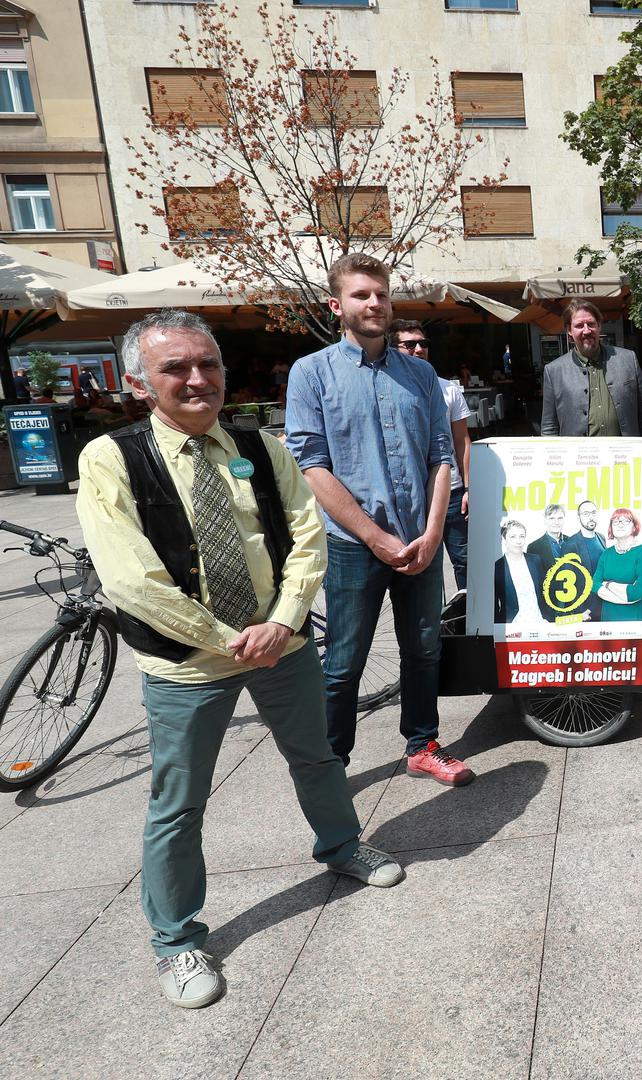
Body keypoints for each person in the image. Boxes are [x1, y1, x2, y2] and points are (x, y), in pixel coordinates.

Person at [77, 310, 402, 1010]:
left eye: (209, 364)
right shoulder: (111, 458)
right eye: (175, 368)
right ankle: (175, 939)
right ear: (139, 383)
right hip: (189, 661)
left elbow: (308, 536)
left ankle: (341, 846)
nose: (198, 379)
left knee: (317, 757)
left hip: (281, 645)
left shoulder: (260, 445)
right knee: (178, 802)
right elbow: (130, 577)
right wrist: (226, 637)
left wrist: (282, 620)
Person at [286, 252, 474, 786]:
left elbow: (441, 455)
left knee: (424, 650)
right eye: (361, 295)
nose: (374, 303)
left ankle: (422, 745)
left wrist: (432, 533)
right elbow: (311, 465)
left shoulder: (421, 373)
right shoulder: (312, 373)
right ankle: (332, 765)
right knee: (345, 660)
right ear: (336, 305)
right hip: (352, 543)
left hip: (419, 539)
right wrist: (374, 537)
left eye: (382, 294)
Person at [393, 320, 471, 594]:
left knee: (465, 561)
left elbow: (462, 441)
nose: (418, 349)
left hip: (451, 491)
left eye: (423, 343)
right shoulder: (389, 391)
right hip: (411, 497)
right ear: (393, 349)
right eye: (409, 344)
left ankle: (467, 616)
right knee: (422, 568)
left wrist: (469, 488)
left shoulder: (448, 389)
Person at [540, 299, 642, 437]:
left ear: (599, 326)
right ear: (569, 330)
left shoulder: (628, 360)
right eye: (579, 325)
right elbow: (549, 427)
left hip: (625, 449)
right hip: (579, 451)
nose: (586, 331)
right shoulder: (554, 371)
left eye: (591, 324)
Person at [597, 508, 642, 621]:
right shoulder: (606, 553)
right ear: (611, 527)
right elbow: (594, 584)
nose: (620, 525)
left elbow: (636, 593)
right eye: (615, 521)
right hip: (609, 618)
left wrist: (608, 584)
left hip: (634, 618)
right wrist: (625, 596)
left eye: (626, 521)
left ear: (634, 527)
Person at [493, 518, 545, 626]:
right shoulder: (497, 567)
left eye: (522, 536)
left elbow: (544, 591)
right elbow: (494, 605)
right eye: (513, 537)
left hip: (539, 621)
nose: (518, 541)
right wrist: (499, 628)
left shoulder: (536, 560)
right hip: (513, 624)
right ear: (504, 539)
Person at [562, 499, 606, 620]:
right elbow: (566, 583)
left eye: (593, 513)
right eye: (586, 514)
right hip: (586, 611)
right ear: (578, 517)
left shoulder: (601, 537)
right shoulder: (570, 544)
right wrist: (580, 611)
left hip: (603, 603)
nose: (591, 517)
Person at [526, 503, 568, 620]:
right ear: (545, 520)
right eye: (552, 518)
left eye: (560, 518)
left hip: (571, 603)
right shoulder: (534, 547)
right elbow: (534, 583)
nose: (556, 522)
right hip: (548, 606)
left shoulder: (573, 541)